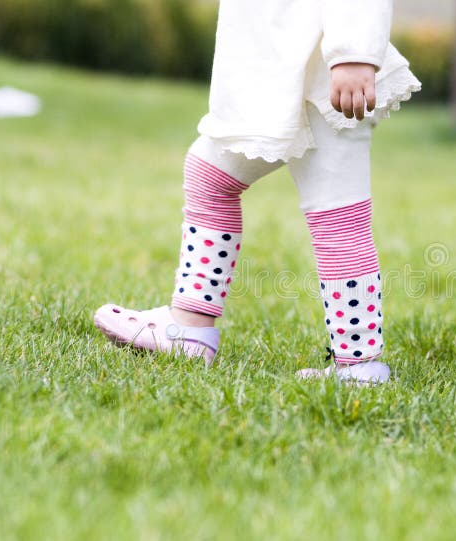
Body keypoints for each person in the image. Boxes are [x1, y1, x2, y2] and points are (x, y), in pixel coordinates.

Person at [93, 0, 421, 384]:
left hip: (324, 85)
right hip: (273, 81)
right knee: (210, 176)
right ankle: (190, 325)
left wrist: (354, 54)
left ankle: (359, 361)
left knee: (338, 220)